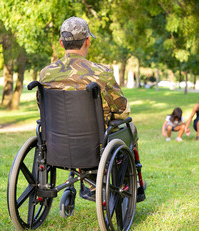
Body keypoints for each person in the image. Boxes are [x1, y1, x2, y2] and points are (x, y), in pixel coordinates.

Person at [38, 16, 133, 201]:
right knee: (130, 130)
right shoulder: (101, 73)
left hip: (55, 145)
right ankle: (129, 185)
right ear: (87, 41)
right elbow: (122, 111)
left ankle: (90, 183)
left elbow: (42, 109)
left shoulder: (45, 74)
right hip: (94, 146)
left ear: (61, 42)